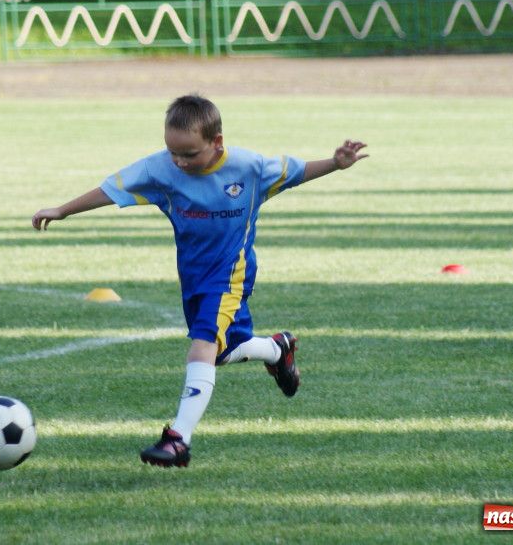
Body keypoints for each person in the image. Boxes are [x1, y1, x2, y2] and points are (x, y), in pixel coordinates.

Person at [31, 94, 368, 468]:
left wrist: (336, 164)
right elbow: (112, 189)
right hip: (192, 277)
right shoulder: (161, 169)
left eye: (190, 154)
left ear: (217, 142)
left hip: (230, 276)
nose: (180, 162)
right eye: (173, 152)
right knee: (221, 352)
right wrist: (62, 210)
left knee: (203, 343)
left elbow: (297, 171)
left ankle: (178, 439)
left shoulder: (249, 167)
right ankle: (277, 350)